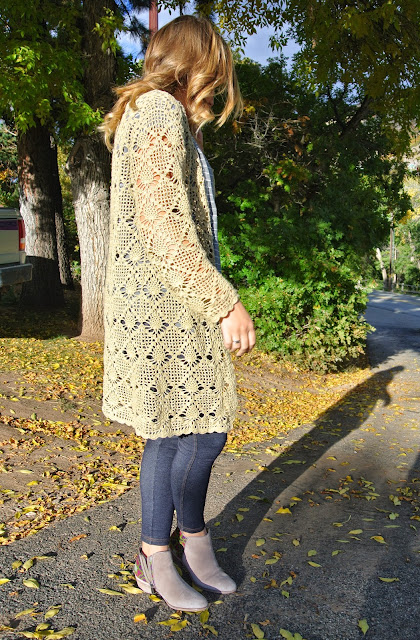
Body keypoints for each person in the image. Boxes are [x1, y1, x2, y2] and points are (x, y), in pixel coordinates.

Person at [100, 15, 256, 612]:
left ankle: (184, 543)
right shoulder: (159, 112)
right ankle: (159, 553)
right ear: (197, 63)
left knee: (185, 430)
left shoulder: (154, 115)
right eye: (215, 71)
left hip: (169, 306)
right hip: (165, 310)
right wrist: (225, 302)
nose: (218, 85)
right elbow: (164, 226)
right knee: (186, 432)